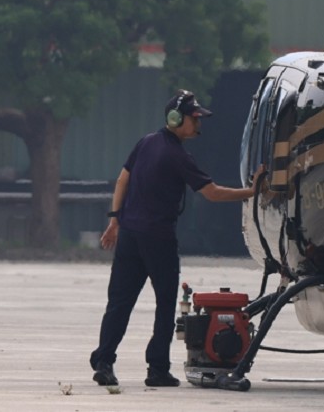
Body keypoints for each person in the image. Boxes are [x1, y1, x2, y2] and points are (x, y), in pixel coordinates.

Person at [90, 89, 261, 388]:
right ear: (176, 119)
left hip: (129, 234)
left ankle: (104, 362)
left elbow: (122, 180)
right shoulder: (178, 156)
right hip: (158, 239)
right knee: (165, 303)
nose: (198, 124)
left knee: (119, 303)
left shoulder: (145, 143)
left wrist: (114, 219)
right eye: (194, 119)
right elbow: (212, 193)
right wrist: (253, 192)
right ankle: (156, 369)